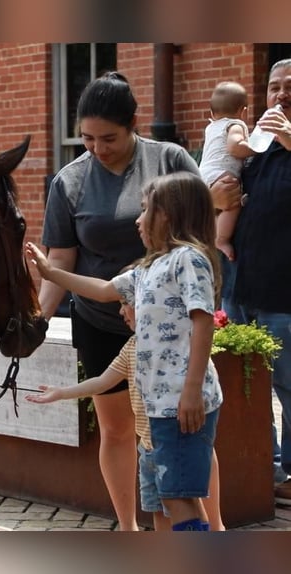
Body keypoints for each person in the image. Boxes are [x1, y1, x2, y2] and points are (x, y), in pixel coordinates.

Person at [35, 71, 201, 530]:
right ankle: (128, 529)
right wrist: (38, 321)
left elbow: (199, 241)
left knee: (182, 433)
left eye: (107, 137)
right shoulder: (69, 182)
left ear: (133, 124)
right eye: (86, 138)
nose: (96, 148)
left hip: (170, 327)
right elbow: (60, 261)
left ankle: (215, 528)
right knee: (117, 429)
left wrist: (147, 285)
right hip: (100, 321)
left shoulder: (169, 160)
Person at [28, 170, 224, 531]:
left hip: (181, 404)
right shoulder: (147, 268)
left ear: (170, 215)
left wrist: (192, 390)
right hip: (159, 408)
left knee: (180, 499)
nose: (138, 219)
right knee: (167, 500)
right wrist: (51, 274)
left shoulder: (188, 260)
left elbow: (203, 320)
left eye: (147, 209)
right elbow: (103, 289)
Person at [31, 301, 225, 531]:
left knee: (191, 510)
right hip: (149, 450)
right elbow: (103, 382)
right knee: (160, 513)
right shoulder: (132, 347)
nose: (121, 311)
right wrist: (62, 393)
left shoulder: (178, 342)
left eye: (126, 304)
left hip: (176, 447)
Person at [213, 58, 291, 501]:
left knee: (288, 386)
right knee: (250, 386)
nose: (280, 94)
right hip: (242, 289)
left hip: (285, 296)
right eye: (273, 87)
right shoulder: (258, 151)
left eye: (290, 86)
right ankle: (269, 467)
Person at [198, 81, 254, 262]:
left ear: (211, 113)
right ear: (243, 111)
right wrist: (256, 148)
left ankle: (215, 232)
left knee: (219, 209)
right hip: (222, 172)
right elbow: (235, 147)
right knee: (232, 204)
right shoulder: (235, 124)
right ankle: (221, 239)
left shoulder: (211, 127)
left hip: (204, 173)